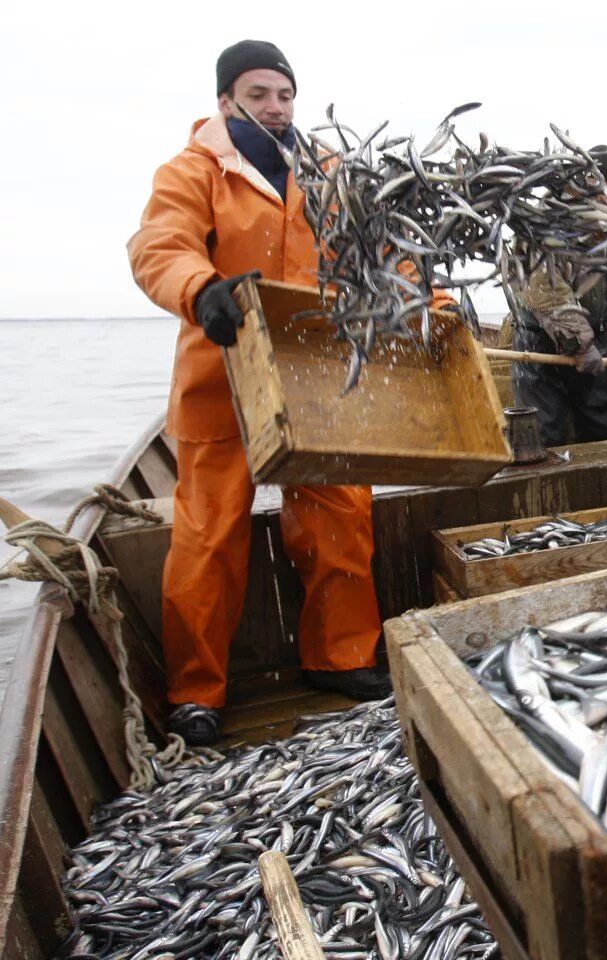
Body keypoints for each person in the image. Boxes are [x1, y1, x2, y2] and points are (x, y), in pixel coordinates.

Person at [127, 40, 391, 747]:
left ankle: (341, 657)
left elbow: (381, 253)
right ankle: (196, 692)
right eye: (258, 93)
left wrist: (425, 301)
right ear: (225, 100)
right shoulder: (193, 170)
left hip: (317, 376)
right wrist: (199, 288)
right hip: (223, 382)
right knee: (209, 534)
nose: (275, 106)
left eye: (284, 94)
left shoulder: (330, 172)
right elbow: (158, 245)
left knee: (340, 516)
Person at [507, 145, 607, 447]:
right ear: (586, 182)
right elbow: (545, 290)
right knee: (544, 435)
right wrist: (578, 343)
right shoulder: (543, 222)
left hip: (595, 342)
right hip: (541, 347)